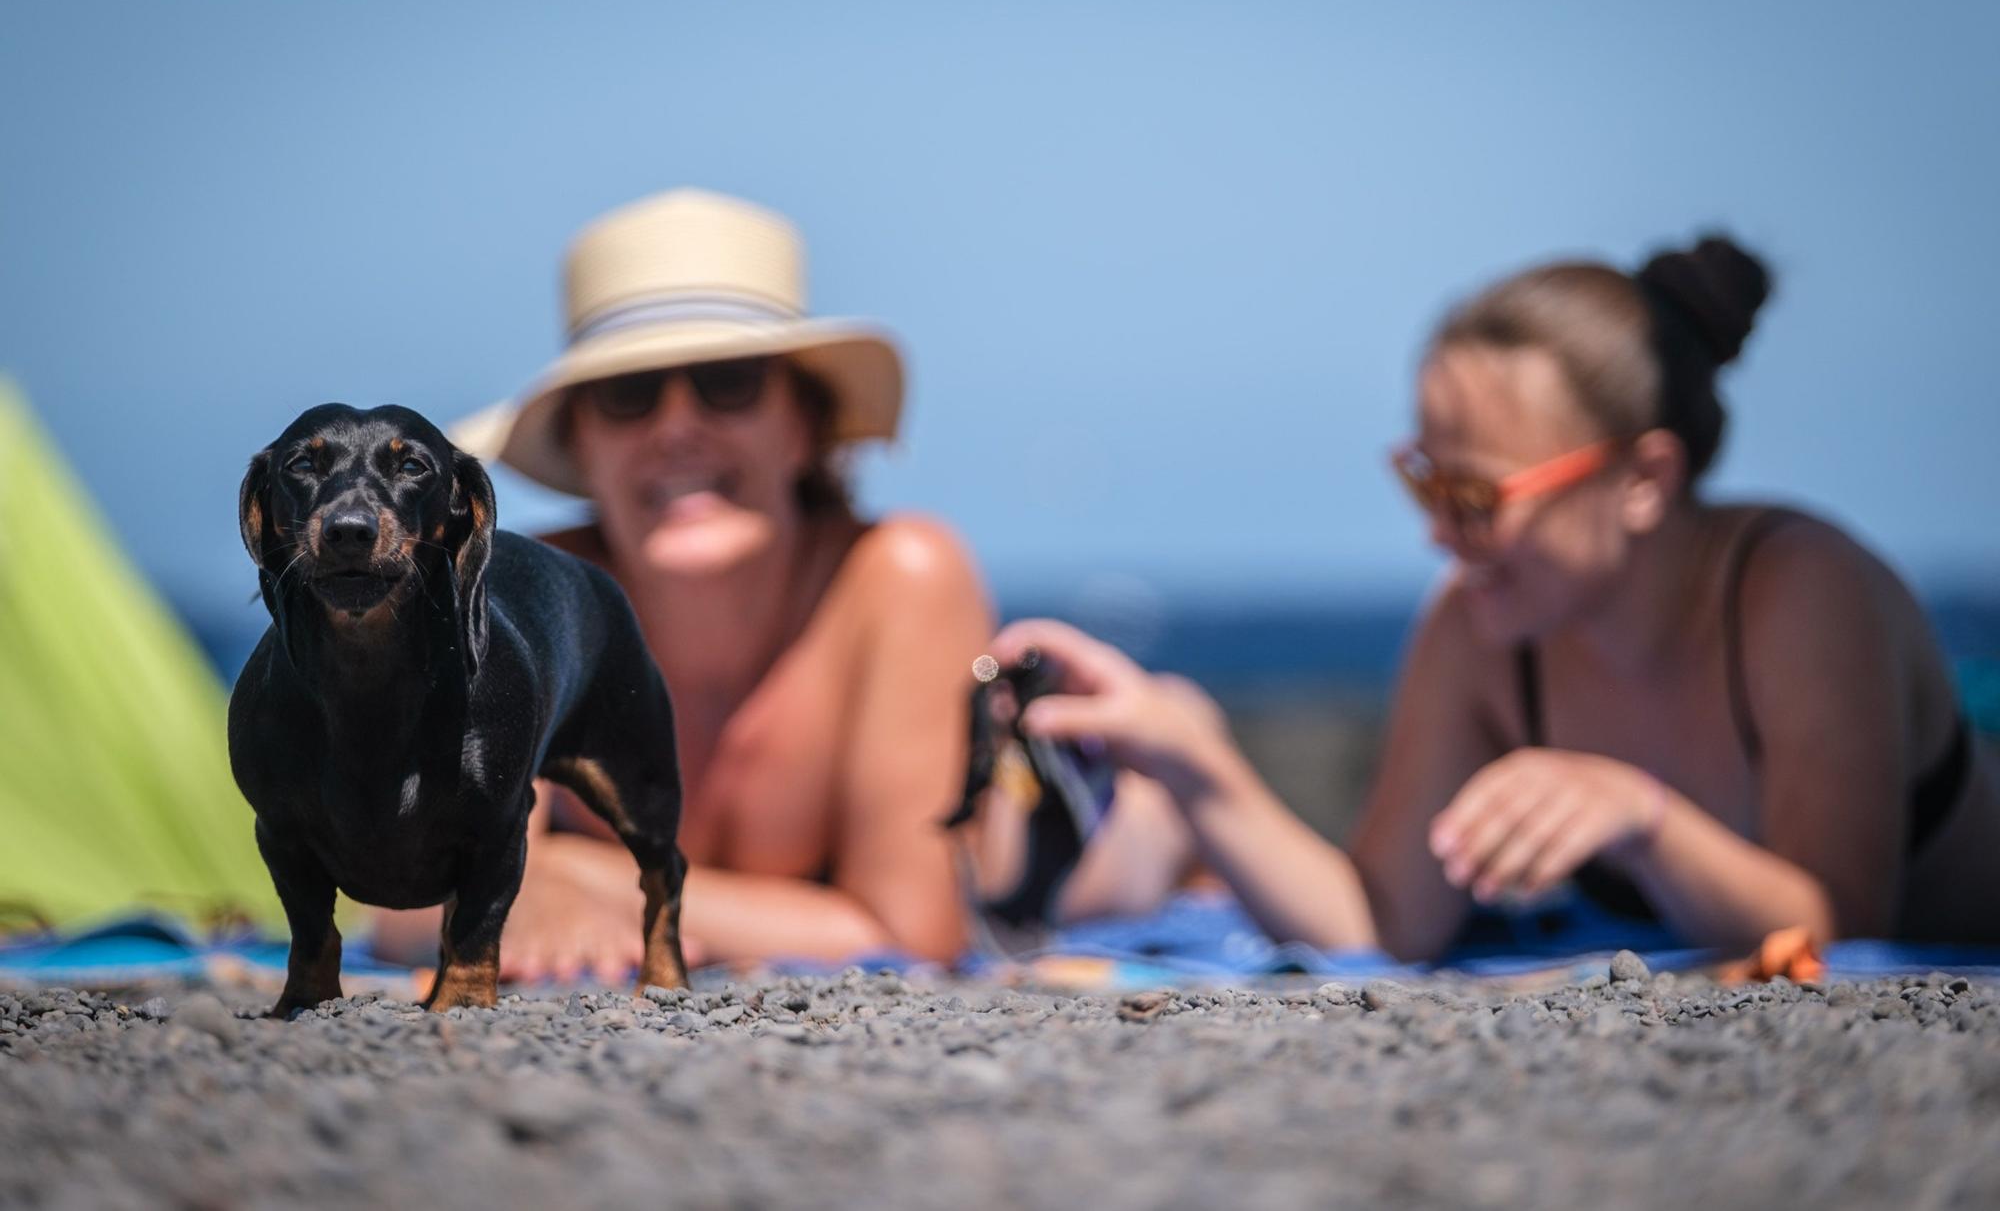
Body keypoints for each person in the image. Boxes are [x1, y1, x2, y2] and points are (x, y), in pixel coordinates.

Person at [990, 236, 2000, 959]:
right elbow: (1381, 922)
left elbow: (1841, 929)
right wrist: (1189, 756)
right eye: (1422, 483)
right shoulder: (1480, 625)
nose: (1437, 531)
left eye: (1473, 497)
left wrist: (1639, 815)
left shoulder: (1798, 595)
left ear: (1643, 479)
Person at [373, 188, 990, 978]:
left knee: (1140, 832)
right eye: (628, 395)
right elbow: (390, 891)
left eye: (726, 379)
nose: (675, 427)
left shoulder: (899, 576)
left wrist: (578, 875)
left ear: (804, 425)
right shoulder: (514, 597)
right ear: (582, 447)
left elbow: (913, 932)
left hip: (1054, 837)